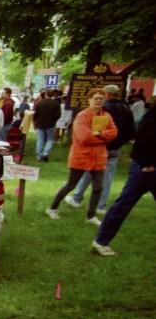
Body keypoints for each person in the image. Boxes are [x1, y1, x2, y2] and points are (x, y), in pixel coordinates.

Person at [91, 102, 156, 256]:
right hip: (146, 168)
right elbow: (142, 136)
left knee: (124, 203)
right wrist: (147, 163)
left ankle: (101, 241)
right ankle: (100, 242)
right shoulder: (154, 115)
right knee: (124, 203)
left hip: (149, 166)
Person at [46, 88, 118, 224]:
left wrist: (99, 134)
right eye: (95, 98)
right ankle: (52, 208)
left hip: (99, 157)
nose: (98, 101)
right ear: (89, 100)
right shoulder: (82, 116)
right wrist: (103, 137)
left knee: (98, 187)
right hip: (81, 156)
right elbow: (84, 137)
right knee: (71, 185)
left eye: (101, 98)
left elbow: (113, 133)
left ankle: (90, 216)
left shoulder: (106, 116)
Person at [67, 84, 136, 214]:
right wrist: (120, 141)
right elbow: (131, 131)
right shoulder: (127, 108)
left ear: (107, 95)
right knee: (107, 177)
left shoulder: (103, 109)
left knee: (89, 172)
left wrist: (102, 139)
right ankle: (101, 205)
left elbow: (94, 131)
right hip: (115, 147)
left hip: (100, 146)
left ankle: (77, 198)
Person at [33, 89, 62, 161]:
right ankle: (46, 153)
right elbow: (58, 115)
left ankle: (39, 155)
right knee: (50, 139)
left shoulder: (40, 103)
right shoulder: (55, 103)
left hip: (40, 123)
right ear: (53, 95)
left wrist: (35, 121)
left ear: (46, 94)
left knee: (40, 139)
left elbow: (36, 114)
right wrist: (54, 120)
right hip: (51, 124)